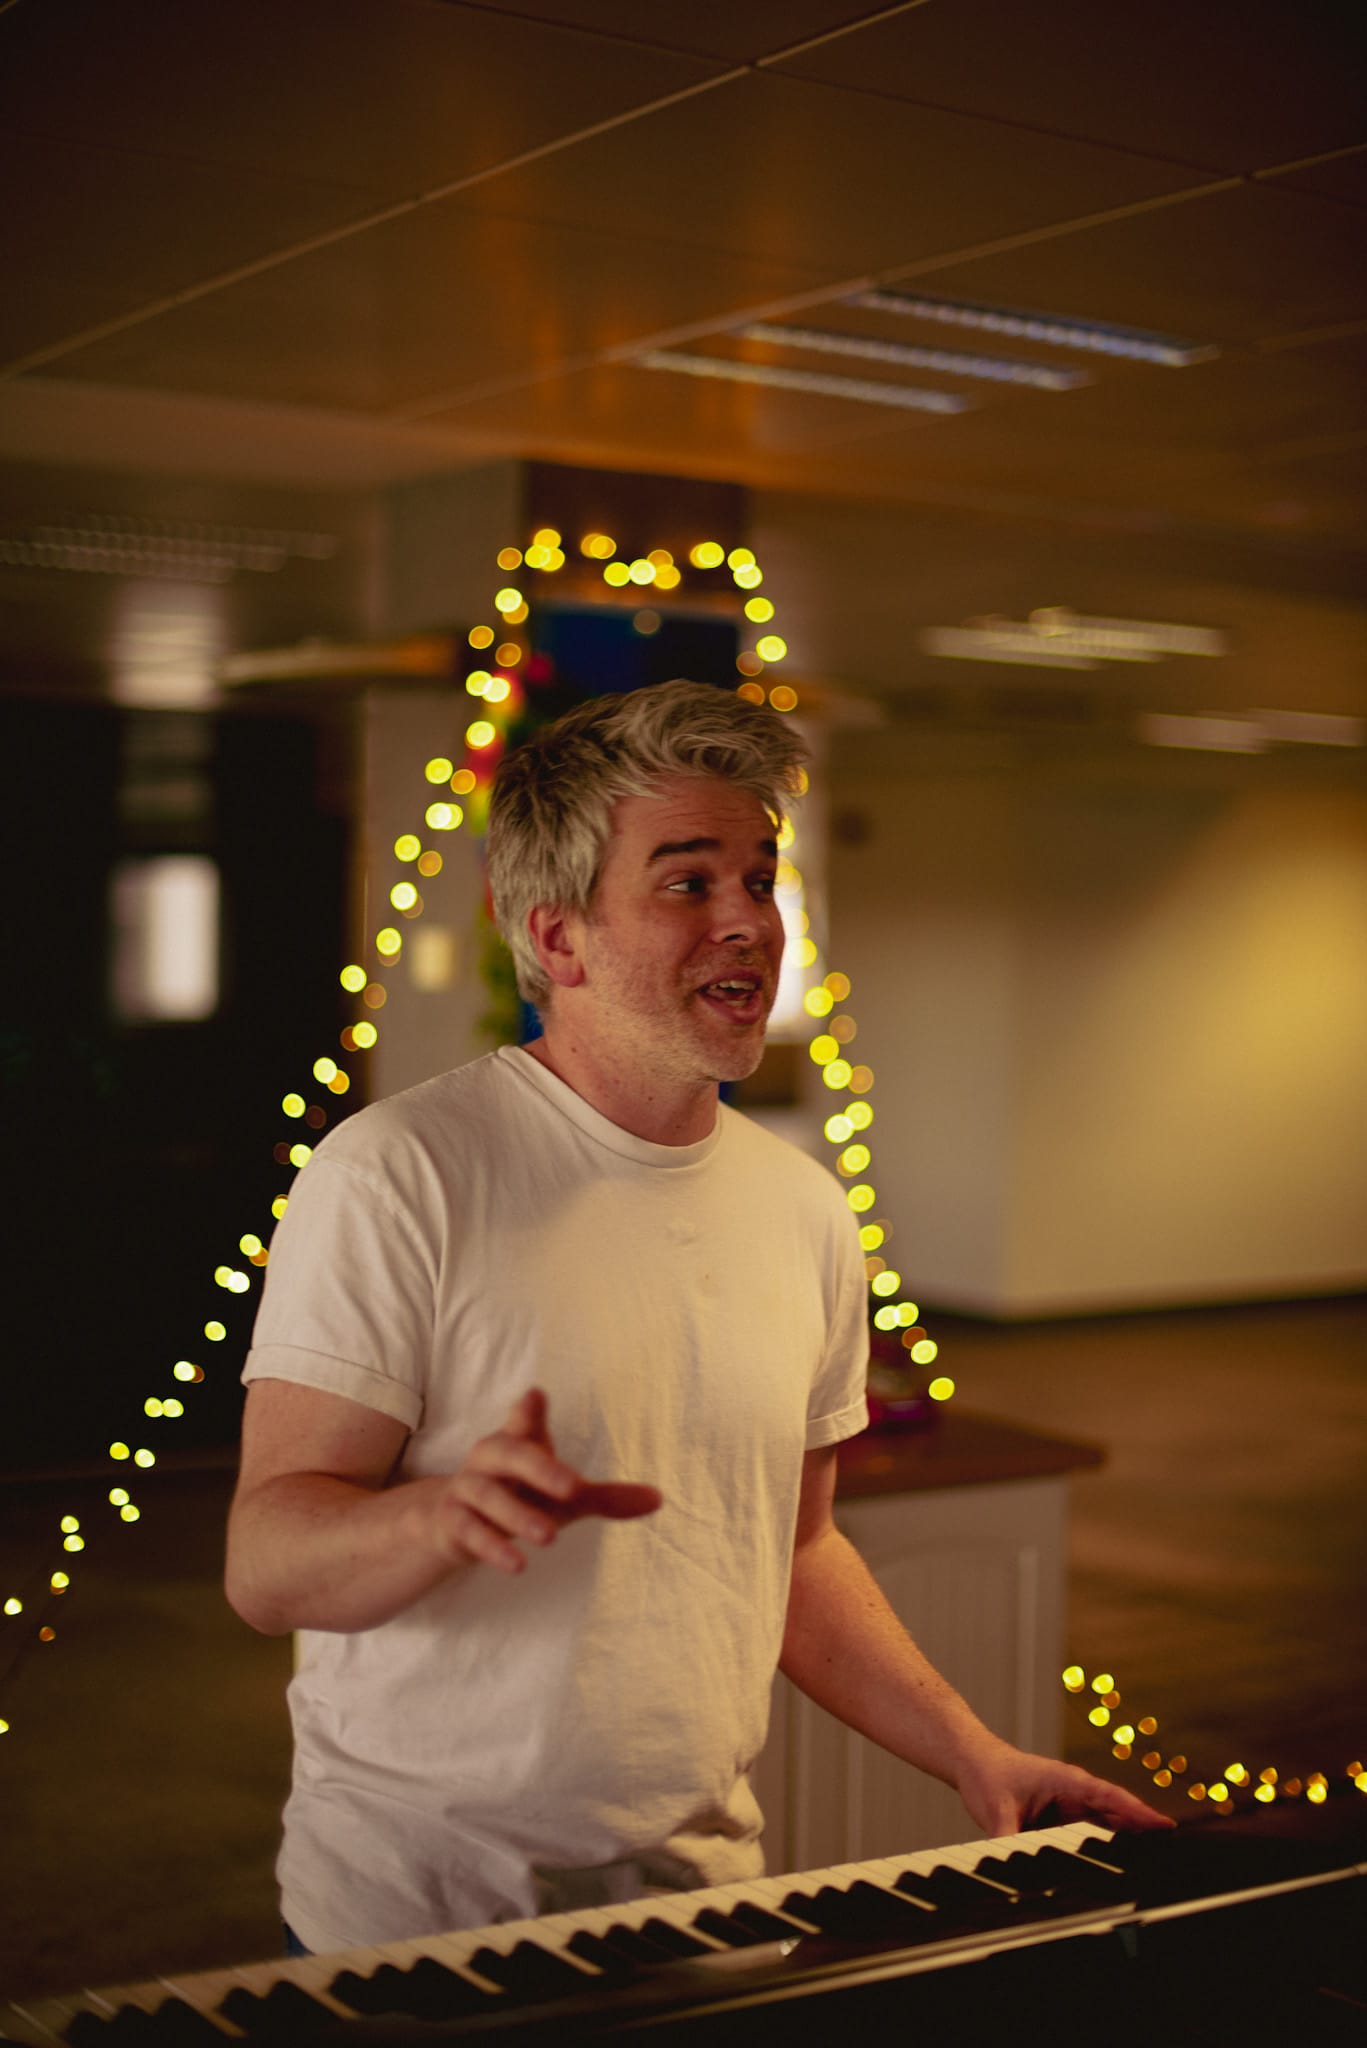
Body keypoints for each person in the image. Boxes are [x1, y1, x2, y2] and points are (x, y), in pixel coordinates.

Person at [226, 677, 1166, 1958]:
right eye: (686, 882)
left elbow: (795, 1549)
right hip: (413, 1921)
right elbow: (266, 1562)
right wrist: (439, 1512)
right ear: (555, 939)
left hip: (709, 1903)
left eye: (757, 875)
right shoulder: (396, 1173)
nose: (748, 921)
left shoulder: (803, 1207)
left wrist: (971, 1752)